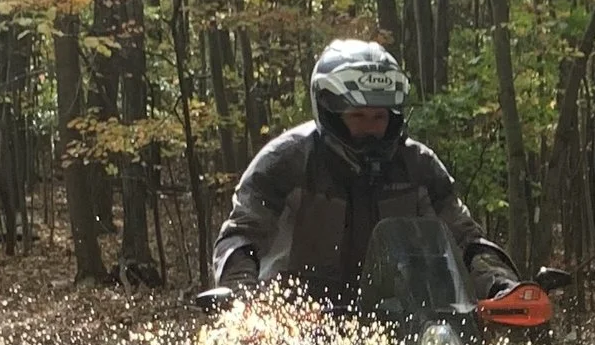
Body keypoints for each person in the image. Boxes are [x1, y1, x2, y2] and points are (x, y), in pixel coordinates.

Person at [209, 39, 518, 306]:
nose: (371, 128)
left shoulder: (418, 165)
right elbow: (241, 235)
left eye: (379, 117)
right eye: (357, 116)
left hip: (403, 321)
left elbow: (464, 237)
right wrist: (241, 294)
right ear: (331, 114)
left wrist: (501, 285)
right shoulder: (285, 162)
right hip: (296, 324)